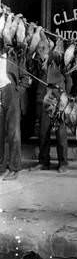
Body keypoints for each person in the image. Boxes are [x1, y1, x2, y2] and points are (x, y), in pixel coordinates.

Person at [31, 44, 70, 173]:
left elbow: (69, 80)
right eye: (40, 51)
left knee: (61, 133)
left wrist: (64, 95)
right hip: (44, 101)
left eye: (44, 50)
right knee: (43, 132)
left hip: (59, 102)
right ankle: (43, 162)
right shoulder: (37, 63)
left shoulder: (60, 62)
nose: (41, 53)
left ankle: (63, 163)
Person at [0, 49, 25, 181]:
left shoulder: (15, 55)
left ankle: (14, 168)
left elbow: (26, 78)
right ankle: (1, 167)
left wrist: (17, 92)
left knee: (13, 132)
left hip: (10, 92)